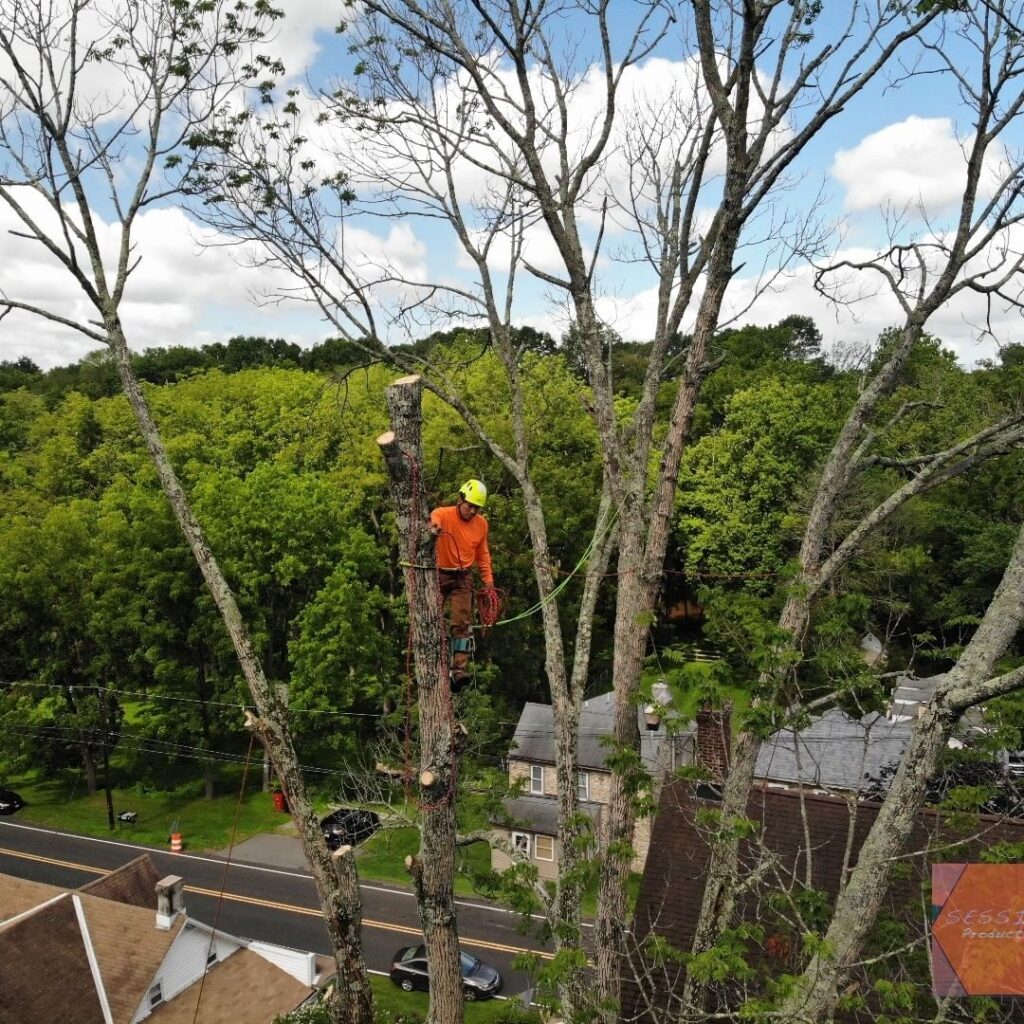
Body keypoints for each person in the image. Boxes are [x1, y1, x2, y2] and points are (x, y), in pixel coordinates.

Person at [429, 479, 495, 686]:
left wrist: (488, 581)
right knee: (430, 618)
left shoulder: (481, 524)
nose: (473, 511)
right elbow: (435, 517)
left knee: (462, 622)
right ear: (461, 500)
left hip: (463, 577)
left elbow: (483, 555)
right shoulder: (444, 514)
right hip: (438, 574)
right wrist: (435, 528)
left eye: (477, 507)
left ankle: (458, 669)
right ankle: (431, 662)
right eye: (470, 506)